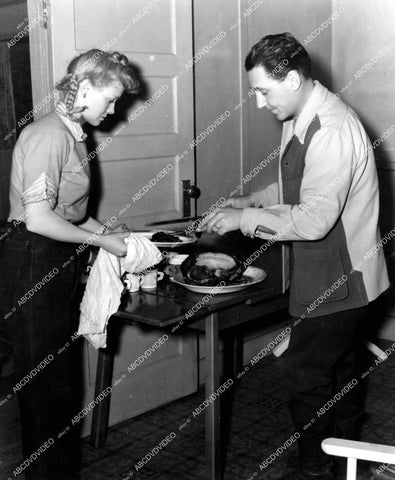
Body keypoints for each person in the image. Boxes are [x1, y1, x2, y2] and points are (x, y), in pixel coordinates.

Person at [198, 33, 389, 480]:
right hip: (331, 274)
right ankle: (344, 457)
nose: (260, 103)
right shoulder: (300, 114)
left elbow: (314, 220)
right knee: (339, 369)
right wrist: (250, 201)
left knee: (306, 375)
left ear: (296, 78)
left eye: (264, 91)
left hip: (343, 277)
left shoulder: (333, 128)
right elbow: (293, 190)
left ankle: (315, 467)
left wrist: (243, 222)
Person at [0, 49, 139, 480]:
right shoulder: (49, 136)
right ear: (84, 88)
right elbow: (39, 218)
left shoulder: (74, 135)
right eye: (111, 99)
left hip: (53, 258)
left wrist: (110, 234)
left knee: (58, 382)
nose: (114, 110)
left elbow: (71, 213)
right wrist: (100, 240)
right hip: (32, 260)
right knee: (45, 389)